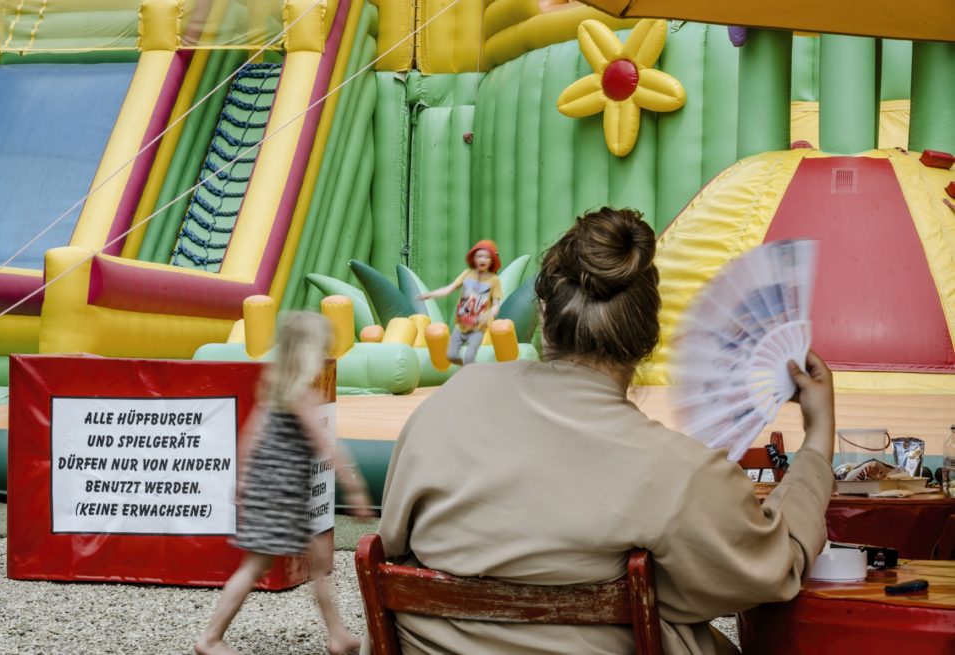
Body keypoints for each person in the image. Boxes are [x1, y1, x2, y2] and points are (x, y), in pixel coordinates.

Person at [371, 207, 835, 655]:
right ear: (647, 337)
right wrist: (817, 437)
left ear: (545, 318)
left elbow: (393, 547)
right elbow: (772, 571)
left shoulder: (451, 403)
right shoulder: (678, 472)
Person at [195, 311, 374, 655]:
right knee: (257, 566)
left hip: (278, 492)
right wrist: (356, 489)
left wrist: (241, 482)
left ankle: (337, 635)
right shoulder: (300, 396)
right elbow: (327, 446)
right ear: (309, 353)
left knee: (318, 563)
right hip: (281, 494)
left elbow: (249, 436)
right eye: (322, 349)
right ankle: (210, 638)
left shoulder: (275, 389)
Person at [417, 239, 503, 366]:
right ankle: (466, 371)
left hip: (477, 328)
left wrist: (488, 315)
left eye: (486, 257)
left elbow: (496, 305)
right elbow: (448, 289)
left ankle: (469, 375)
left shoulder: (494, 280)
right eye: (479, 256)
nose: (482, 260)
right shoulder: (467, 274)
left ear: (492, 261)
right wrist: (430, 294)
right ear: (474, 259)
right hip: (460, 327)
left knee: (469, 357)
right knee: (451, 356)